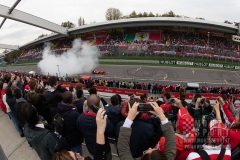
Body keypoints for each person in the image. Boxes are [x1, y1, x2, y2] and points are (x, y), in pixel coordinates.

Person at [76, 94, 114, 160]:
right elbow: (112, 133)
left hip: (90, 147)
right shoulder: (103, 120)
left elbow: (79, 130)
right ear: (99, 104)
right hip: (104, 150)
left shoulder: (80, 118)